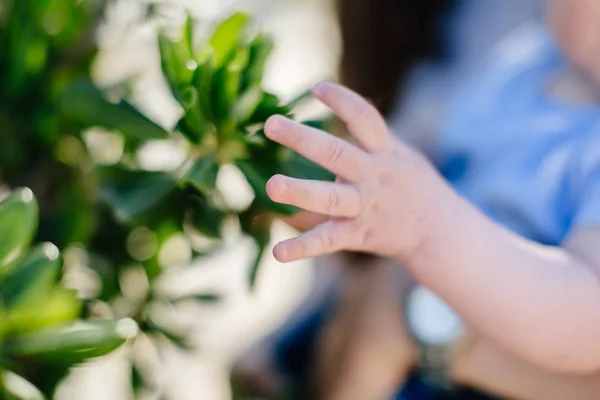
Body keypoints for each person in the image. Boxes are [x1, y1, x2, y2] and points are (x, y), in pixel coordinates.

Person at [262, 0, 600, 398]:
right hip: (392, 289)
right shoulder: (532, 56)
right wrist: (360, 177)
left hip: (473, 378)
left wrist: (429, 224)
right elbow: (443, 148)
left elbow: (585, 323)